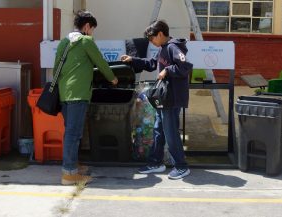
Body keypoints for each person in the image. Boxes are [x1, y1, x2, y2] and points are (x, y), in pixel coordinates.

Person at [121, 20, 191, 180]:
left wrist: (167, 70)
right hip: (164, 99)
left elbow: (184, 67)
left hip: (172, 99)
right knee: (159, 130)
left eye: (152, 38)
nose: (151, 42)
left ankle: (181, 166)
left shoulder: (174, 47)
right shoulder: (163, 49)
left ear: (160, 34)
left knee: (171, 132)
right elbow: (152, 64)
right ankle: (156, 162)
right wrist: (133, 60)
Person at [55, 10, 118, 185]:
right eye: (93, 29)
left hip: (65, 93)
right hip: (79, 93)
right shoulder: (86, 41)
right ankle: (69, 174)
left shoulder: (64, 42)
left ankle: (72, 166)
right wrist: (112, 78)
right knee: (73, 134)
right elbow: (101, 62)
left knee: (71, 131)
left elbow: (55, 70)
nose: (92, 33)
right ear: (87, 26)